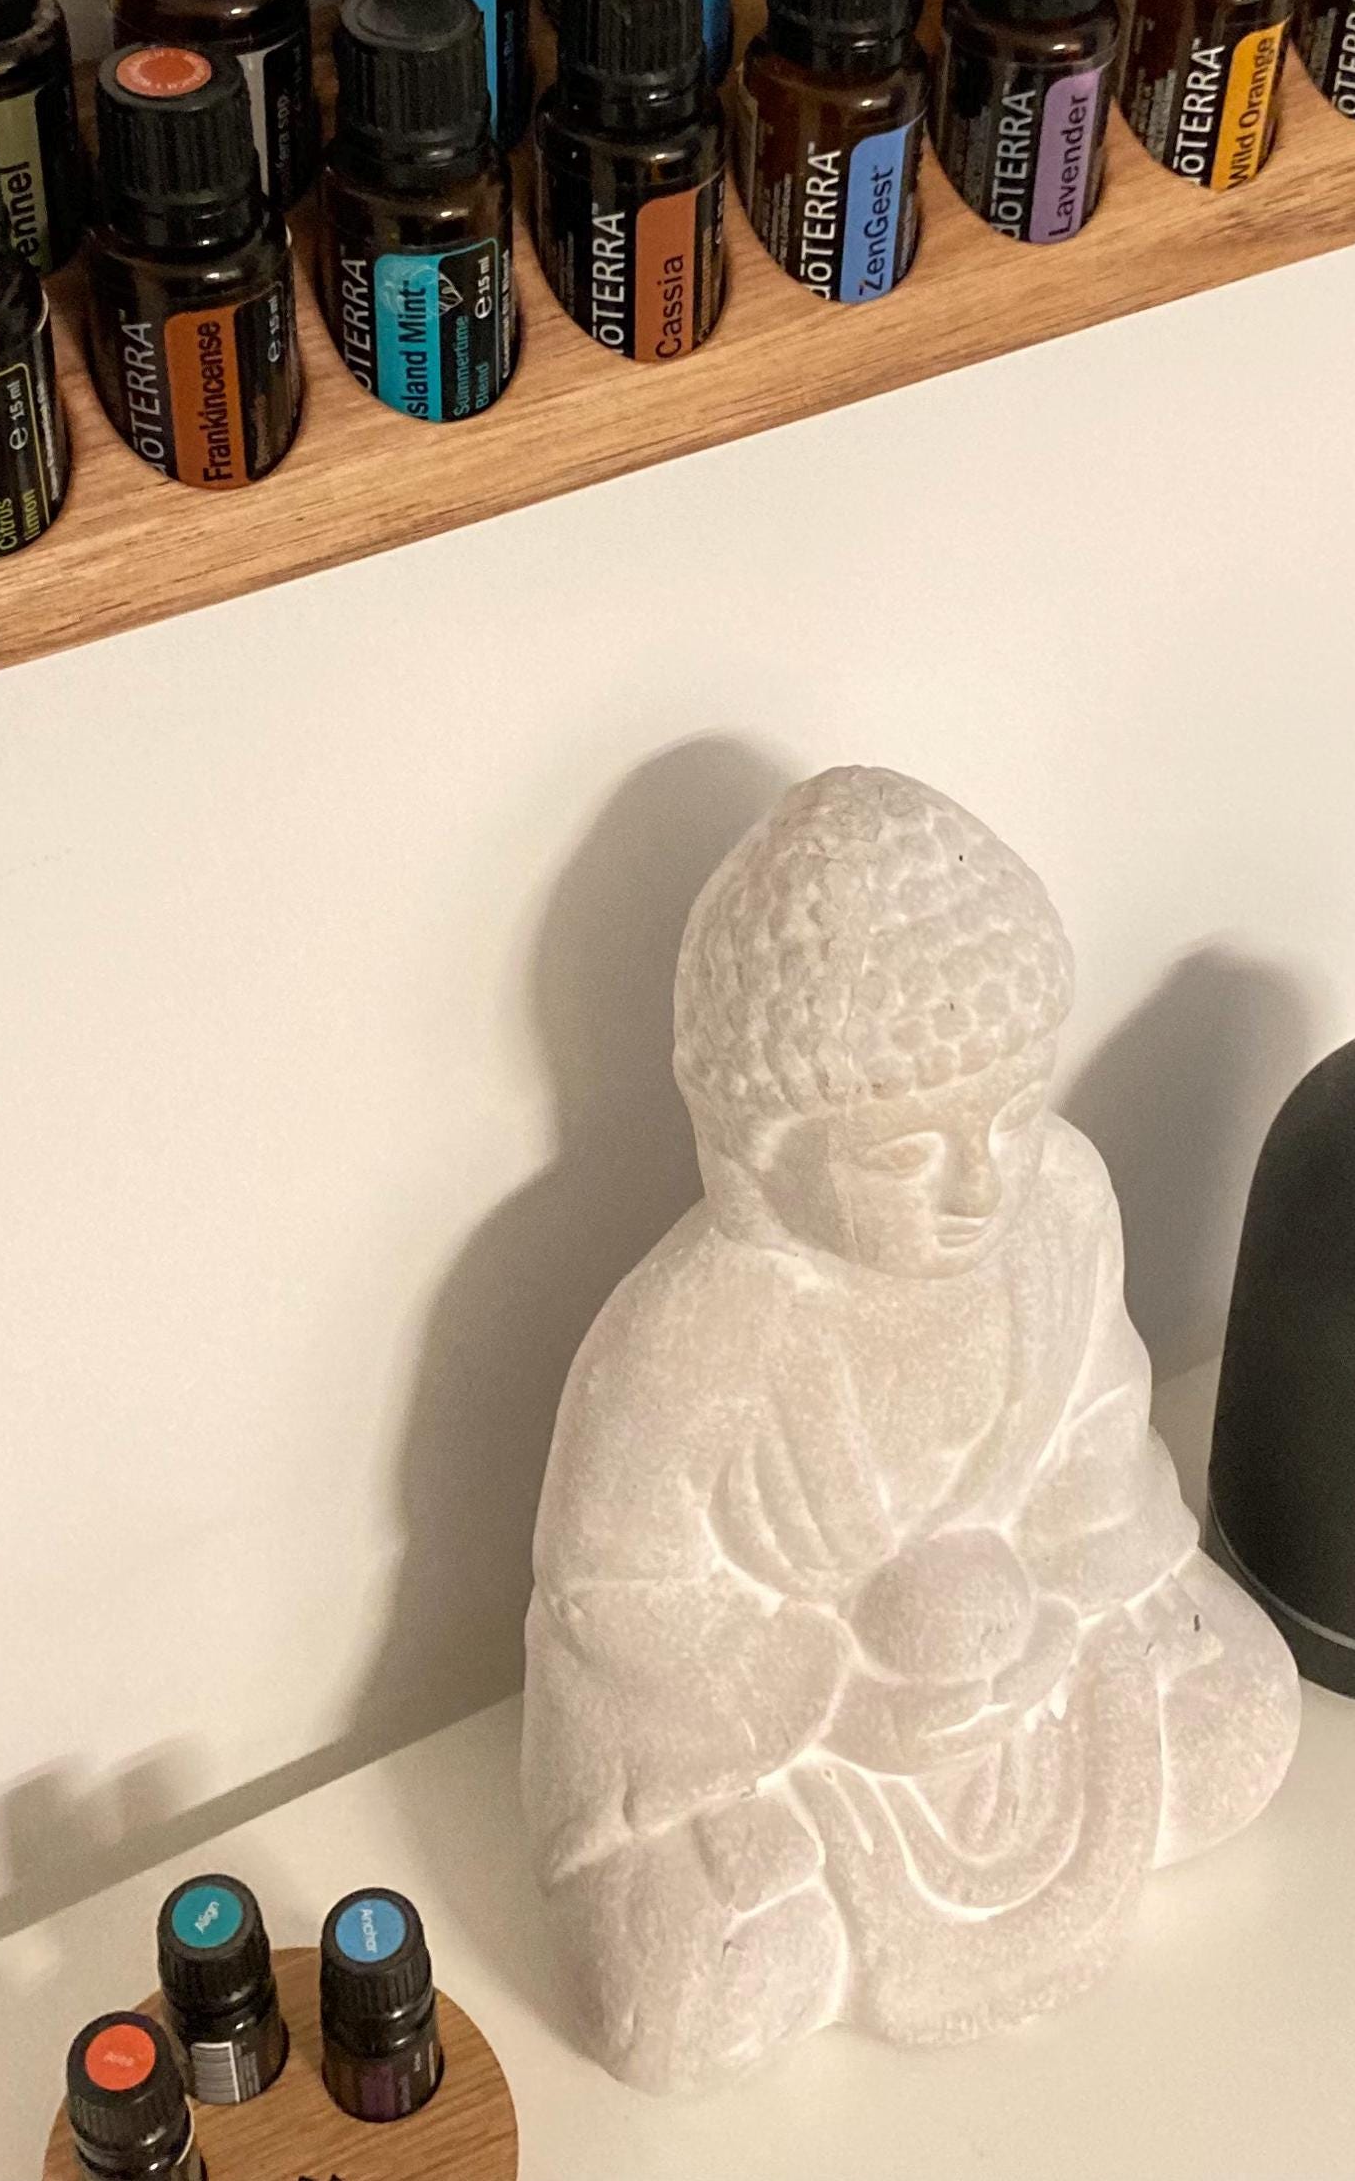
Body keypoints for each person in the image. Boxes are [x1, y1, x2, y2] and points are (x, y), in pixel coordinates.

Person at [522, 767, 1298, 2090]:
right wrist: (841, 1694)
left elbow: (1095, 1454)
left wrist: (1052, 1616)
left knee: (1246, 1721)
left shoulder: (1060, 1208)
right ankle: (826, 1914)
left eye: (1011, 1114)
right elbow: (618, 1607)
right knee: (681, 2011)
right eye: (903, 1151)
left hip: (1039, 1665)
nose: (977, 1185)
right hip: (801, 1744)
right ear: (761, 1154)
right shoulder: (695, 1332)